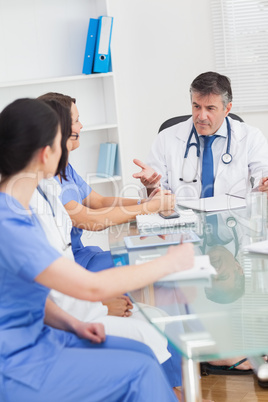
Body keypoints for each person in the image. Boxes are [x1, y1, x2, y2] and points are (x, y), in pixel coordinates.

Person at [0, 98, 196, 401]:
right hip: (19, 364)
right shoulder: (10, 221)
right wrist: (171, 261)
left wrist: (74, 323)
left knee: (142, 354)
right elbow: (90, 288)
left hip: (48, 334)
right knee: (140, 370)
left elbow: (34, 293)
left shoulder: (20, 206)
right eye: (61, 140)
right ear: (45, 153)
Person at [38, 92, 175, 272]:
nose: (81, 126)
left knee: (151, 257)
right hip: (65, 266)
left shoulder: (65, 169)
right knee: (150, 264)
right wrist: (150, 208)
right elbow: (91, 220)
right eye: (76, 121)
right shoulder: (46, 178)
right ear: (60, 128)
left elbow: (99, 202)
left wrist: (146, 202)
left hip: (79, 255)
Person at [133, 71, 268, 199]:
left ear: (227, 109)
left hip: (233, 219)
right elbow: (155, 194)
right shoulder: (166, 139)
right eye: (196, 106)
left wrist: (265, 184)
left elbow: (263, 173)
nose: (201, 116)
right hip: (183, 219)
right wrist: (152, 186)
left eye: (210, 108)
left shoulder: (251, 137)